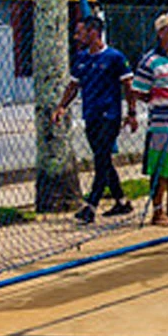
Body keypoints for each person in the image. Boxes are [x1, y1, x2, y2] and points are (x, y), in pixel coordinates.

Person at [54, 14, 136, 223]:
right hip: (91, 116)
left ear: (93, 32)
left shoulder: (114, 57)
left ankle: (91, 206)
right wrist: (62, 106)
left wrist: (131, 112)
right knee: (103, 159)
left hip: (109, 116)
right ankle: (121, 201)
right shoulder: (82, 58)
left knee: (101, 158)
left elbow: (128, 86)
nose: (76, 37)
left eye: (80, 32)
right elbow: (73, 86)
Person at [128, 13, 168, 226]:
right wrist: (157, 100)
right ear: (160, 33)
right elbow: (138, 90)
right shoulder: (150, 61)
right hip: (161, 123)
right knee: (160, 168)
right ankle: (158, 211)